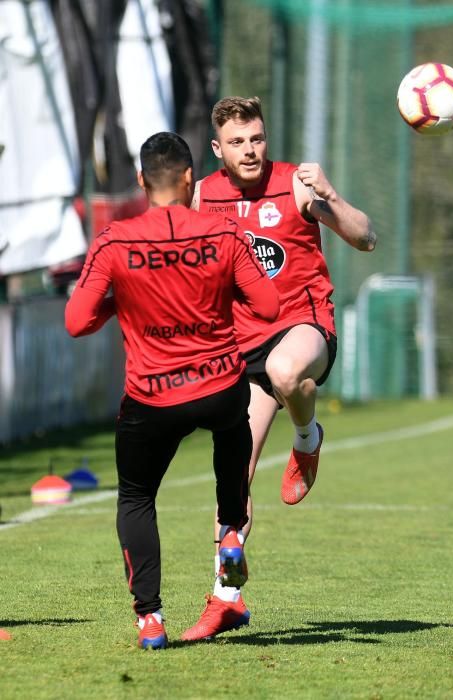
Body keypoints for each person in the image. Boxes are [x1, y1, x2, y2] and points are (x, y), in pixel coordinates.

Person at [65, 132, 279, 649]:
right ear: (190, 178)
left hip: (152, 395)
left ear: (141, 181)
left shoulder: (115, 241)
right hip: (220, 383)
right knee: (233, 438)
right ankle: (230, 533)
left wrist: (123, 300)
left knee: (137, 497)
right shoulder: (223, 233)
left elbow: (76, 321)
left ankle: (151, 619)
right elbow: (269, 307)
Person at [181, 96, 376, 641]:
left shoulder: (297, 184)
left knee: (291, 371)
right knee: (231, 479)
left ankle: (307, 438)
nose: (250, 150)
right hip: (241, 350)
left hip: (304, 326)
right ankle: (226, 599)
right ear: (218, 149)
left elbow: (366, 238)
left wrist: (331, 196)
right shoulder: (203, 196)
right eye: (238, 142)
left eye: (258, 139)